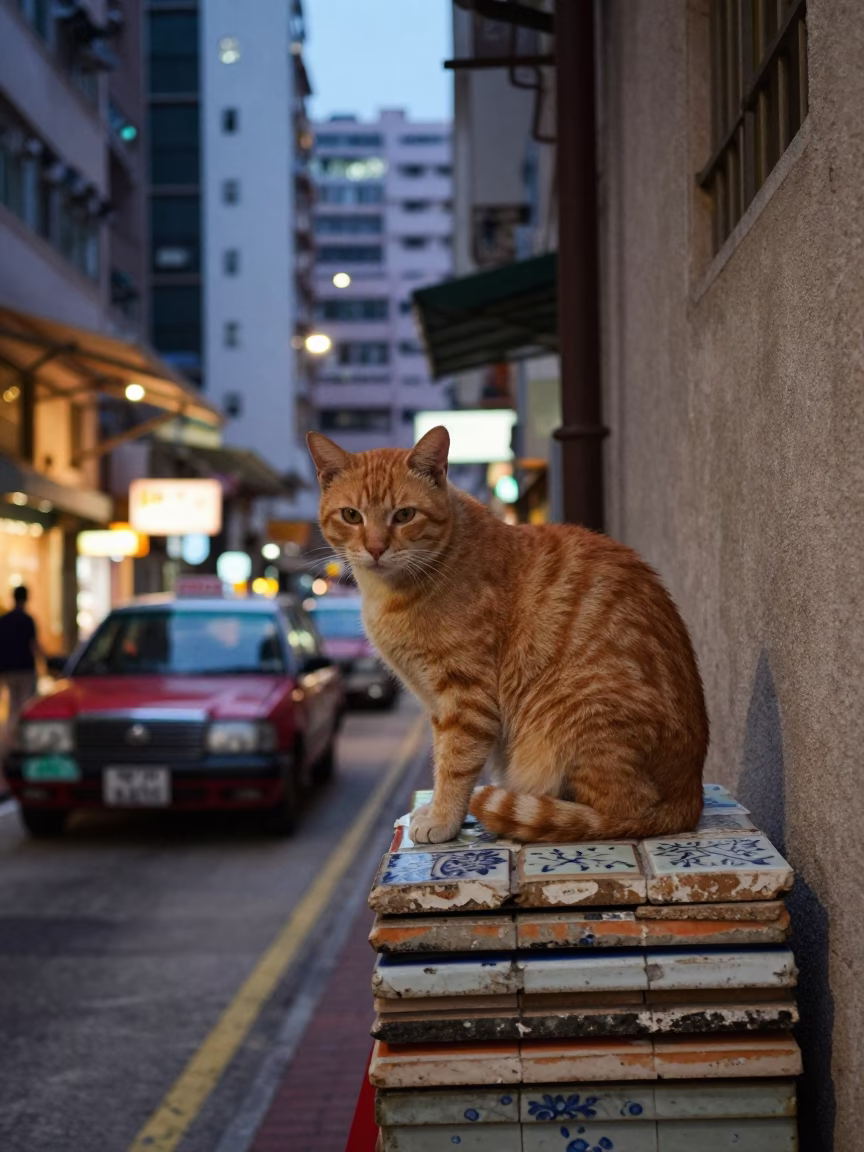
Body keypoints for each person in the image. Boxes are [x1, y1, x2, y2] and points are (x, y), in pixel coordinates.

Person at [0, 586, 44, 743]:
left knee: (13, 707)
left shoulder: (4, 620)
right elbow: (34, 645)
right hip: (25, 668)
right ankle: (20, 741)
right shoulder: (27, 620)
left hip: (8, 669)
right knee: (26, 706)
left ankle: (10, 740)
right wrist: (46, 662)